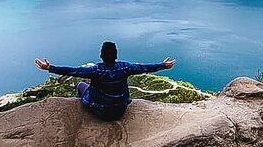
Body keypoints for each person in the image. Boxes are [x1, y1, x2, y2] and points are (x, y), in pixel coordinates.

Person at [34, 41, 175, 121]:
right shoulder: (125, 67)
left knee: (81, 85)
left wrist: (49, 68)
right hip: (120, 110)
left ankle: (82, 111)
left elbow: (73, 71)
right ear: (116, 55)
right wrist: (163, 65)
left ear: (101, 55)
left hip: (101, 112)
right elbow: (144, 68)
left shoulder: (96, 70)